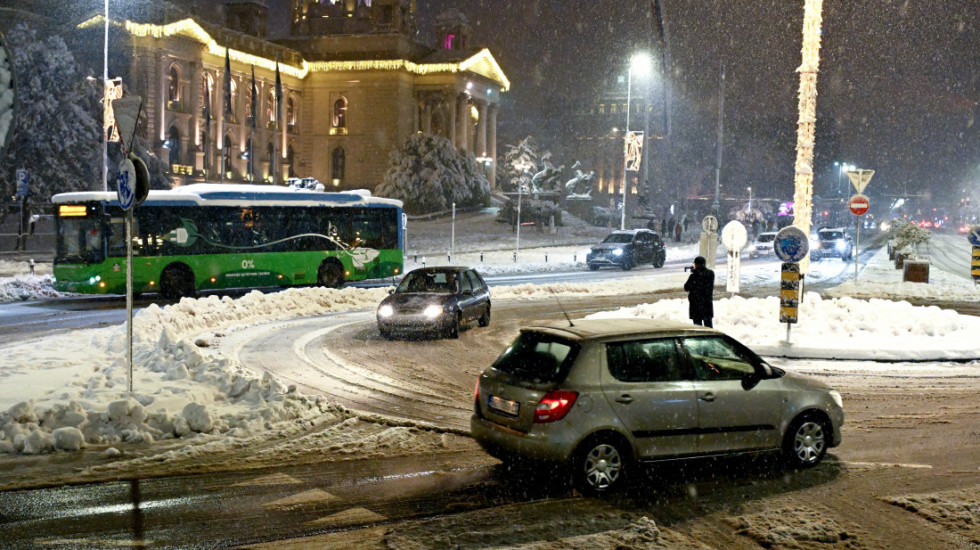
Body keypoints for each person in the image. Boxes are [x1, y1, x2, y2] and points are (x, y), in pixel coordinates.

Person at [684, 256, 714, 327]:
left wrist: (694, 272)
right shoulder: (711, 274)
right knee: (709, 327)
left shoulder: (693, 276)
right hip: (707, 305)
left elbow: (686, 287)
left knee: (698, 328)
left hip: (696, 306)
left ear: (696, 264)